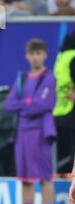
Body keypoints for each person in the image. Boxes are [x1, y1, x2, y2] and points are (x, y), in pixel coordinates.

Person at [3, 39, 56, 204]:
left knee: (44, 177)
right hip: (22, 132)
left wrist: (24, 104)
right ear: (27, 55)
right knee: (25, 179)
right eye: (32, 53)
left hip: (41, 132)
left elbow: (43, 105)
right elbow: (9, 105)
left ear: (45, 55)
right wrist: (28, 102)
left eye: (39, 53)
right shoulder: (21, 78)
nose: (35, 57)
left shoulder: (49, 78)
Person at [53, 32, 75, 177]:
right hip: (72, 109)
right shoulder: (73, 57)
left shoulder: (61, 57)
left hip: (60, 109)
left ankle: (62, 173)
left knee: (63, 147)